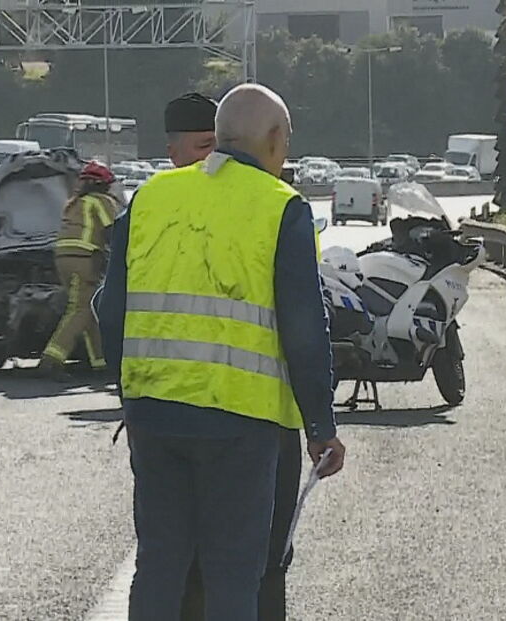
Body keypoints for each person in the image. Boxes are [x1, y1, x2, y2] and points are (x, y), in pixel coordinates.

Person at [99, 83, 345, 621]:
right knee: (234, 572)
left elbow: (108, 308)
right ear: (276, 139)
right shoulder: (282, 208)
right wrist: (320, 426)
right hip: (241, 422)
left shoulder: (150, 197)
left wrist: (130, 392)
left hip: (154, 414)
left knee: (160, 564)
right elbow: (305, 328)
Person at [161, 92, 309, 621]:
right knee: (224, 564)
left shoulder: (162, 202)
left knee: (232, 563)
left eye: (212, 146)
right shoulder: (164, 204)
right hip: (221, 418)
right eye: (199, 148)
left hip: (221, 416)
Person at [38, 161, 123, 381]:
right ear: (103, 184)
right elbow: (113, 231)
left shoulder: (74, 203)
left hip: (64, 259)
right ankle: (52, 359)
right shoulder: (101, 201)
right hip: (84, 259)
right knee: (81, 309)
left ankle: (101, 362)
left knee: (90, 310)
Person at [165, 92, 218, 167]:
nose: (219, 154)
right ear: (173, 152)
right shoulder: (160, 179)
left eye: (225, 146)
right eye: (205, 146)